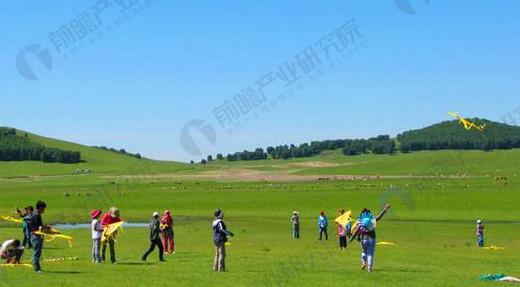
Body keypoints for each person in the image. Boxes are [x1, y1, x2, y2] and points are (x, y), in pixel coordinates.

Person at [350, 204, 391, 272]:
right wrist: (385, 209)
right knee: (370, 253)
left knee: (364, 251)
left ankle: (363, 262)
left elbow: (356, 232)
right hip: (372, 239)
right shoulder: (371, 222)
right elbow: (379, 216)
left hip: (363, 239)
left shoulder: (361, 223)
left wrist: (351, 239)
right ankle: (369, 267)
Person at [30, 200, 47, 273]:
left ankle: (37, 267)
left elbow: (38, 226)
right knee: (37, 253)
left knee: (37, 252)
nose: (44, 210)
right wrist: (46, 229)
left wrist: (45, 227)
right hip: (36, 236)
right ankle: (37, 269)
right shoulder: (36, 215)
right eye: (43, 208)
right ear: (39, 208)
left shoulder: (35, 214)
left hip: (35, 235)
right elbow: (38, 228)